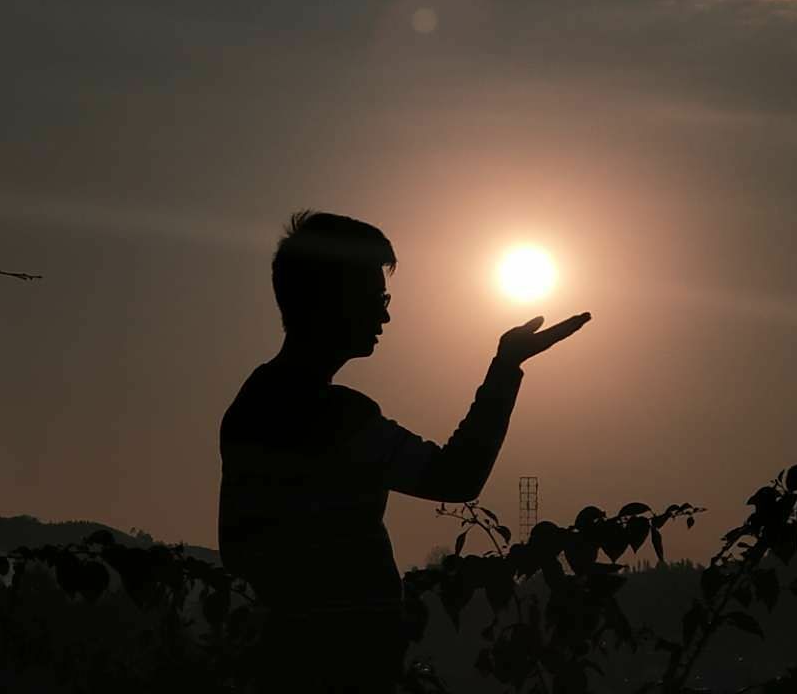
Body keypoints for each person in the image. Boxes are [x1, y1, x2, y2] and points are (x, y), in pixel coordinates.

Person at [218, 211, 590, 693]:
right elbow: (455, 478)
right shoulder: (335, 416)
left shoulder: (253, 404)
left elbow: (238, 550)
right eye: (375, 299)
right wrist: (505, 370)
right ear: (331, 301)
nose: (385, 315)